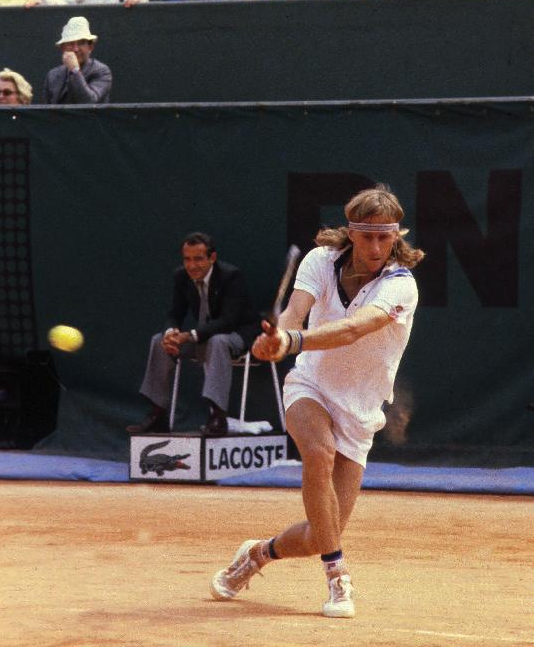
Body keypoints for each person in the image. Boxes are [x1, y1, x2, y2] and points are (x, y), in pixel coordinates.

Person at [210, 185, 424, 617]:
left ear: (397, 235)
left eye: (386, 237)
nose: (377, 246)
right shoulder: (320, 261)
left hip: (361, 411)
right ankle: (338, 578)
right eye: (368, 236)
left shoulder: (402, 285)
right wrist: (278, 339)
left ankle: (256, 555)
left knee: (319, 533)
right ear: (351, 232)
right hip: (310, 386)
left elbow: (353, 329)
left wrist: (292, 340)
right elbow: (293, 313)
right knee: (319, 454)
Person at [126, 232, 261, 437]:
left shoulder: (231, 275)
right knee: (158, 341)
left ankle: (218, 416)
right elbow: (174, 313)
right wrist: (170, 334)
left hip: (236, 335)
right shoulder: (181, 276)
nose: (192, 265)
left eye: (198, 259)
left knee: (217, 341)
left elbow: (228, 321)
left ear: (212, 258)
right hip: (201, 337)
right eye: (187, 259)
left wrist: (189, 335)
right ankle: (158, 414)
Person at [42, 17, 112, 104]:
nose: (75, 49)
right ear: (63, 48)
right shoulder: (53, 75)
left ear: (90, 47)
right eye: (70, 44)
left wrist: (75, 71)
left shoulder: (102, 71)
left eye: (81, 43)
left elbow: (89, 103)